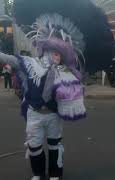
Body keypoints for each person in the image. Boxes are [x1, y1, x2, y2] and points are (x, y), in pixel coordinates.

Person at [0, 14, 88, 180]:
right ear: (43, 50)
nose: (53, 56)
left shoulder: (67, 73)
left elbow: (77, 92)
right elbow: (11, 60)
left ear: (62, 56)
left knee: (55, 145)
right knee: (34, 145)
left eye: (57, 53)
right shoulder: (30, 64)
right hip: (35, 114)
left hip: (54, 115)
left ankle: (55, 174)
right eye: (50, 52)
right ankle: (38, 173)